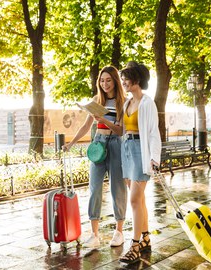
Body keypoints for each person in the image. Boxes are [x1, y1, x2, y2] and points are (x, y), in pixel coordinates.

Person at [63, 66, 127, 248]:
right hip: (98, 144)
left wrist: (104, 119)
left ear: (115, 81)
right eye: (102, 80)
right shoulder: (96, 100)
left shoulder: (123, 102)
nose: (104, 84)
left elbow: (120, 129)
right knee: (94, 188)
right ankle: (94, 234)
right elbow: (85, 126)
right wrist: (71, 143)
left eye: (108, 80)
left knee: (118, 189)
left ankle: (119, 231)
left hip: (115, 143)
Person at [118, 62, 161, 263]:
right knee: (140, 199)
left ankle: (134, 246)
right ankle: (145, 238)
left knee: (134, 199)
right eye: (123, 78)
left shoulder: (147, 103)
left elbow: (153, 132)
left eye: (126, 78)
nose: (123, 81)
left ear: (136, 80)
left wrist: (154, 158)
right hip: (127, 150)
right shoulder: (127, 104)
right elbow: (122, 130)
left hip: (140, 152)